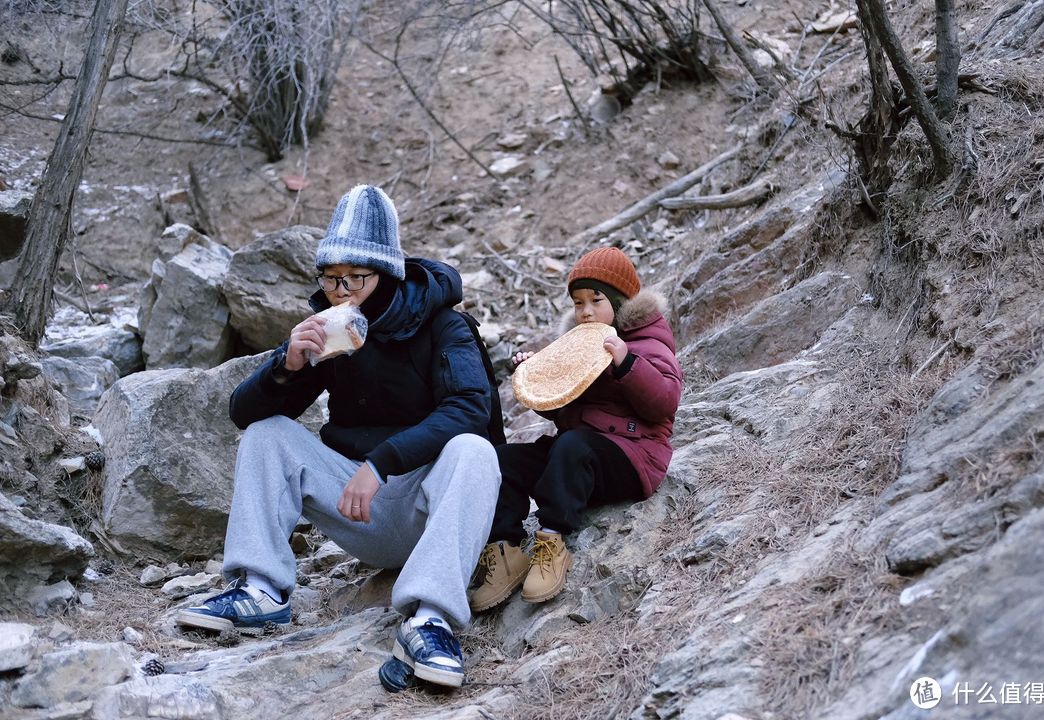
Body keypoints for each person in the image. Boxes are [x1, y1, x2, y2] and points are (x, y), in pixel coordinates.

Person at [177, 184, 501, 691]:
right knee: (269, 433)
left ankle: (429, 621)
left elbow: (471, 409)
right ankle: (261, 590)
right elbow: (243, 413)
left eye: (354, 278)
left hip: (429, 511)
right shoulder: (329, 330)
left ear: (387, 274)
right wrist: (286, 366)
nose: (341, 291)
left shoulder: (444, 325)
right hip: (358, 510)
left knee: (473, 450)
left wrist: (381, 463)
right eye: (330, 279)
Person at [469, 247, 683, 611]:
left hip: (634, 459)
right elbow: (564, 413)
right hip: (580, 460)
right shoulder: (575, 346)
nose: (585, 311)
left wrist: (626, 362)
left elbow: (664, 402)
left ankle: (551, 542)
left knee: (573, 446)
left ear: (620, 302)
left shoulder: (647, 343)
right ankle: (505, 550)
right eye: (578, 302)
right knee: (501, 460)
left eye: (596, 300)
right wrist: (538, 377)